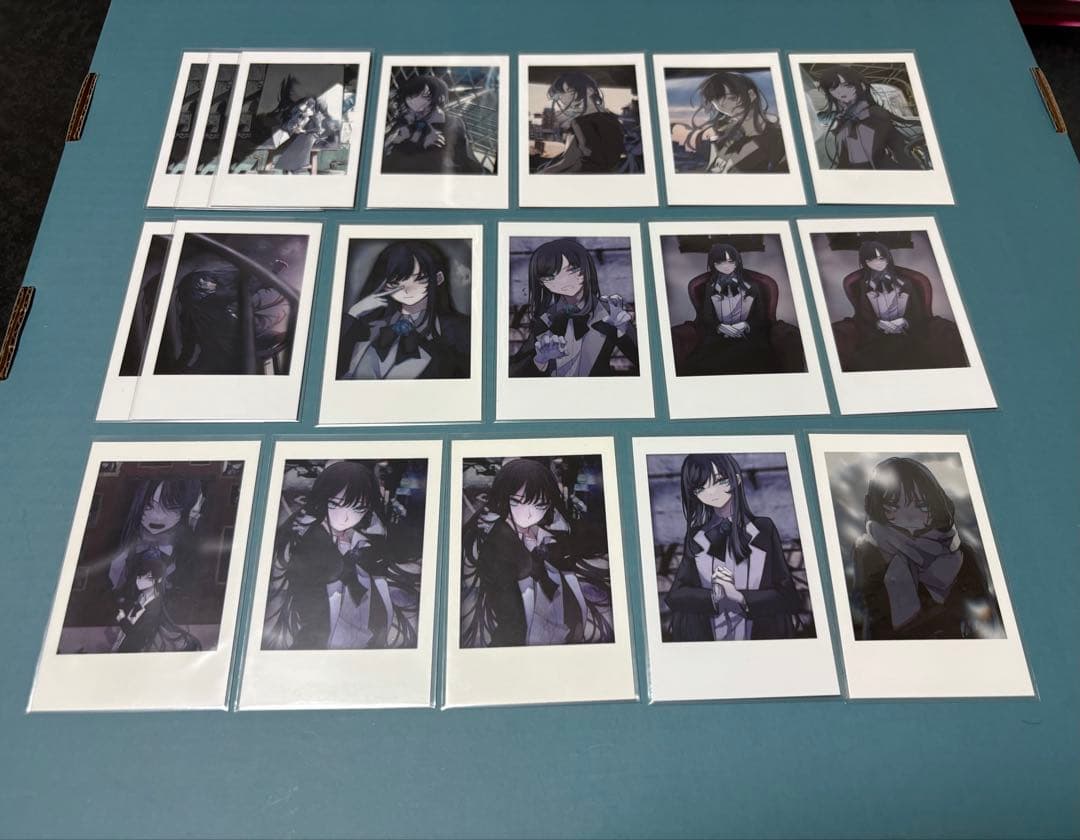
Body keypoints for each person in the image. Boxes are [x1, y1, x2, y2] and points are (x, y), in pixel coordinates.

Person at [262, 461, 420, 650]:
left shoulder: (362, 536)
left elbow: (389, 560)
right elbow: (312, 584)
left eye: (357, 508)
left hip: (360, 626)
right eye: (335, 504)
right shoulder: (311, 534)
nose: (345, 517)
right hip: (319, 625)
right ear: (324, 500)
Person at [460, 458, 613, 647]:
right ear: (505, 499)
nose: (529, 514)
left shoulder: (546, 531)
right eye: (518, 502)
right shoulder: (496, 540)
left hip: (554, 620)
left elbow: (584, 541)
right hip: (522, 628)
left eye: (539, 505)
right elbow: (510, 621)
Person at [851, 457, 1002, 640]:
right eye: (894, 506)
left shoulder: (964, 554)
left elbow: (984, 617)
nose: (909, 516)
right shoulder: (868, 552)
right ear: (879, 508)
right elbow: (874, 614)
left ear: (935, 504)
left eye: (921, 505)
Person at [666, 454, 800, 641]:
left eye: (718, 481)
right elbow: (675, 595)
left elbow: (788, 596)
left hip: (760, 639)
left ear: (736, 479)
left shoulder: (763, 529)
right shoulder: (696, 537)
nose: (711, 492)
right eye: (701, 488)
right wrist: (714, 597)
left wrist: (739, 597)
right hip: (709, 641)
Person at [337, 240, 470, 380]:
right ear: (384, 283)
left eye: (419, 279)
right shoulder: (369, 324)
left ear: (438, 278)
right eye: (395, 282)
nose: (407, 289)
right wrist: (354, 313)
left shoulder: (458, 331)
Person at [831, 240, 968, 372]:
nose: (878, 263)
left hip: (907, 334)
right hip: (877, 337)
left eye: (881, 258)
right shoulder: (862, 285)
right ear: (865, 262)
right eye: (871, 259)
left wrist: (905, 322)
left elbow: (918, 313)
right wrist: (878, 324)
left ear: (888, 258)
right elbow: (864, 315)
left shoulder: (906, 282)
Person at [509, 238, 638, 378]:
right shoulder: (546, 320)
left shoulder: (609, 312)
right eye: (551, 277)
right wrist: (540, 359)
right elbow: (513, 372)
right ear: (541, 282)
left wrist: (623, 333)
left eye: (571, 270)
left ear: (585, 268)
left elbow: (647, 364)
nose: (563, 281)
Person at [163, 264, 292, 375]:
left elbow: (187, 350)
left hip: (217, 361)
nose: (213, 282)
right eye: (206, 280)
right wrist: (273, 272)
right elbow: (244, 292)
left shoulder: (190, 313)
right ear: (198, 286)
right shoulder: (210, 301)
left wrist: (177, 368)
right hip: (232, 358)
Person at [678, 243, 781, 376]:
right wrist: (719, 327)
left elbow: (761, 317)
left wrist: (746, 325)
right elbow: (707, 317)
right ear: (713, 263)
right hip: (718, 338)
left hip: (750, 336)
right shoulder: (710, 287)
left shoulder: (753, 286)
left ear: (737, 262)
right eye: (720, 262)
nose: (726, 266)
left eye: (730, 261)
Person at [670, 71, 787, 173]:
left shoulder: (778, 139)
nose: (724, 105)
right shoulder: (724, 136)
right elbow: (712, 171)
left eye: (732, 98)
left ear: (751, 95)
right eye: (716, 100)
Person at [813, 65, 925, 170]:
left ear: (861, 86)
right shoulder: (844, 120)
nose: (839, 92)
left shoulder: (875, 114)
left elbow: (899, 150)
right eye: (833, 89)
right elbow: (845, 159)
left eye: (846, 85)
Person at [382, 74, 483, 174]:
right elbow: (393, 147)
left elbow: (463, 157)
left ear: (440, 98)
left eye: (423, 96)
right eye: (411, 96)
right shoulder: (408, 118)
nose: (413, 100)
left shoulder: (453, 123)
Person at [537, 72, 626, 173]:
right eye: (559, 94)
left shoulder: (579, 123)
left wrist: (542, 174)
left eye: (569, 91)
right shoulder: (612, 119)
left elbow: (568, 162)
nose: (562, 98)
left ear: (589, 91)